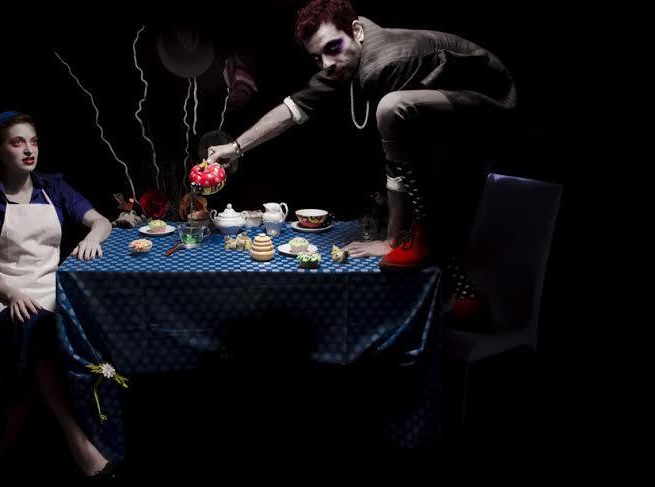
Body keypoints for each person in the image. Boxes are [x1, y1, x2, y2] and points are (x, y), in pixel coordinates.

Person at [207, 0, 516, 327]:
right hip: (451, 111)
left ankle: (456, 286)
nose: (326, 63)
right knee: (400, 133)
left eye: (331, 48)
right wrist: (236, 147)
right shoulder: (347, 54)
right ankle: (456, 289)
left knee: (393, 112)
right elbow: (294, 108)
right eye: (317, 56)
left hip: (492, 103)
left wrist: (391, 240)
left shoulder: (383, 63)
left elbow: (401, 153)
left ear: (356, 30)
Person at [0, 111, 115, 478]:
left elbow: (101, 221)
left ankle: (106, 429)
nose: (29, 150)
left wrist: (92, 238)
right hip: (6, 300)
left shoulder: (52, 188)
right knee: (40, 328)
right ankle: (81, 446)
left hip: (53, 292)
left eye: (33, 141)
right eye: (17, 143)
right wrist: (13, 294)